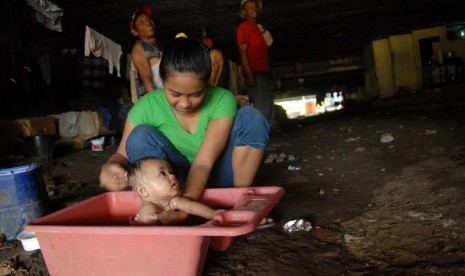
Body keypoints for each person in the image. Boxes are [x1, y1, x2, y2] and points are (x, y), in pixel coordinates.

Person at [99, 33, 270, 225]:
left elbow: (203, 164)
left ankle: (238, 202)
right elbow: (121, 155)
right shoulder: (146, 107)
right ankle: (162, 208)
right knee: (139, 136)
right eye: (175, 94)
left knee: (251, 118)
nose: (185, 103)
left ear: (207, 83)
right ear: (162, 81)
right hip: (174, 185)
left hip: (219, 178)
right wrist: (110, 167)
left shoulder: (223, 99)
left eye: (196, 94)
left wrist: (184, 209)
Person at [127, 157, 224, 225]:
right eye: (162, 173)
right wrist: (157, 219)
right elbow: (149, 232)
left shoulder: (174, 201)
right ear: (143, 190)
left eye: (171, 172)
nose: (172, 176)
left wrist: (211, 214)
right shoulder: (148, 207)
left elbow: (191, 206)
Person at [236, 0, 275, 126]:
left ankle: (266, 136)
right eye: (249, 7)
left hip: (264, 72)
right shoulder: (244, 27)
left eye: (254, 7)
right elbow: (243, 52)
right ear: (243, 12)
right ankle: (258, 136)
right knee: (261, 106)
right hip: (255, 72)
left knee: (268, 105)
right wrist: (249, 74)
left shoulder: (258, 29)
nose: (253, 9)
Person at [129, 5, 163, 93]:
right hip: (162, 101)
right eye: (142, 22)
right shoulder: (138, 48)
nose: (147, 22)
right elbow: (146, 79)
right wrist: (157, 105)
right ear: (135, 32)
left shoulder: (157, 50)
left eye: (148, 19)